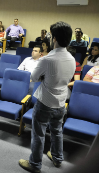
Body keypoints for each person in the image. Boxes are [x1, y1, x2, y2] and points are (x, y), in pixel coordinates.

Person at [19, 21, 76, 173]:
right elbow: (68, 78)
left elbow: (33, 77)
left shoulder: (47, 59)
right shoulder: (71, 58)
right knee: (57, 131)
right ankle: (57, 158)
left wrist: (45, 78)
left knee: (39, 133)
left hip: (45, 102)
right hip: (61, 102)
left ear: (55, 39)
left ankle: (35, 164)